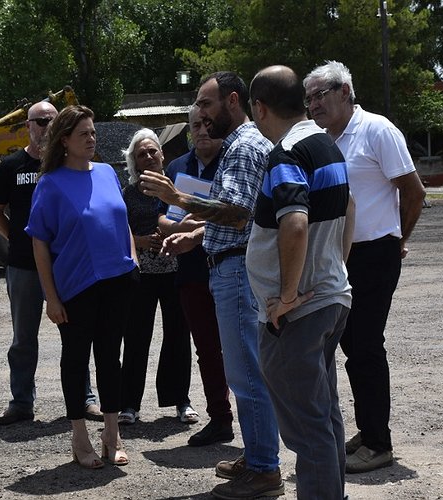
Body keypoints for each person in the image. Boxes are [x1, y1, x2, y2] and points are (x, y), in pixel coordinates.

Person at [140, 72, 282, 496]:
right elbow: (244, 214)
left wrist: (178, 199)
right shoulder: (250, 141)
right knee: (246, 371)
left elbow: (236, 213)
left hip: (237, 270)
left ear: (232, 101)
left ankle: (264, 468)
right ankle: (259, 454)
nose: (199, 113)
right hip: (237, 264)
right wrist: (197, 233)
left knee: (246, 374)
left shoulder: (240, 146)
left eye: (205, 103)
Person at [304, 60, 426, 473]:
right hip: (341, 256)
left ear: (344, 92)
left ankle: (379, 443)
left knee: (367, 347)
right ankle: (368, 429)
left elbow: (413, 192)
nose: (313, 104)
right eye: (308, 98)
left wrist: (398, 241)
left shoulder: (377, 130)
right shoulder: (323, 140)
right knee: (351, 346)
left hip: (375, 254)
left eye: (320, 94)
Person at [245, 64, 354, 499]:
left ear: (259, 107)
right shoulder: (326, 145)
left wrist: (286, 297)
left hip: (298, 313)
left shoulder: (286, 153)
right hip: (329, 299)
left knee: (308, 431)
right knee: (324, 418)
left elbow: (293, 223)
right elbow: (351, 210)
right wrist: (334, 269)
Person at [25, 105, 137, 469]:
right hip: (76, 287)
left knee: (110, 358)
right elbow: (39, 242)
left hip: (117, 281)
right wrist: (50, 297)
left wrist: (132, 258)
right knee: (76, 360)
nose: (92, 139)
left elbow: (122, 220)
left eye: (92, 132)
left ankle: (111, 432)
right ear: (64, 141)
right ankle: (79, 435)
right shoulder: (51, 183)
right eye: (83, 134)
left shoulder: (106, 172)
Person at [0, 102, 101, 425]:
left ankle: (84, 399)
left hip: (66, 265)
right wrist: (17, 238)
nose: (46, 126)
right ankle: (21, 402)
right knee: (23, 338)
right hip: (23, 266)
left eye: (52, 120)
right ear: (27, 126)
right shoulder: (11, 166)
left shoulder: (66, 167)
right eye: (39, 121)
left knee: (76, 334)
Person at [157, 105, 234, 446]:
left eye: (207, 124)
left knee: (240, 348)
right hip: (190, 274)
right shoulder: (176, 167)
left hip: (231, 267)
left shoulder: (233, 161)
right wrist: (181, 226)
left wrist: (191, 223)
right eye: (195, 125)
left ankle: (257, 421)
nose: (202, 130)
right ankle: (220, 418)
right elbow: (161, 219)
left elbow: (235, 213)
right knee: (206, 349)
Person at [118, 128, 196, 426]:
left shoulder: (180, 187)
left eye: (153, 151)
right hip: (142, 274)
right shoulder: (127, 194)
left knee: (178, 336)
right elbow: (117, 230)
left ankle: (181, 401)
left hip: (176, 270)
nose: (149, 157)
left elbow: (192, 219)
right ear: (134, 162)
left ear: (163, 155)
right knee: (136, 337)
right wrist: (137, 241)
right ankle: (129, 405)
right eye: (142, 154)